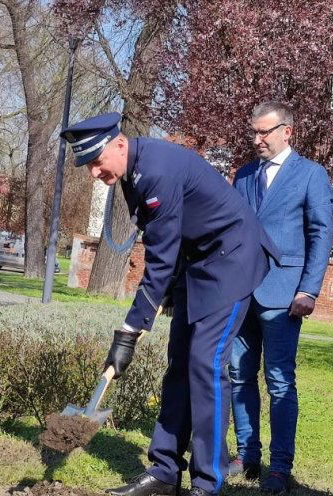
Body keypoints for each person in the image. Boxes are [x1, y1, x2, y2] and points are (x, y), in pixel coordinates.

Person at [59, 113, 279, 496]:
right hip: (198, 263)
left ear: (120, 144)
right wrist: (157, 300)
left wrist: (128, 331)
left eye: (97, 161)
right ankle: (163, 472)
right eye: (88, 165)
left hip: (232, 262)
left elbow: (159, 259)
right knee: (179, 363)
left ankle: (208, 482)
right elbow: (167, 240)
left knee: (205, 364)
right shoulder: (133, 173)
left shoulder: (156, 171)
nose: (94, 172)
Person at [227, 101, 333, 493]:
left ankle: (279, 467)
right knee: (239, 375)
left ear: (287, 131)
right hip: (242, 294)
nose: (256, 140)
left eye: (264, 133)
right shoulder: (243, 176)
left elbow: (320, 235)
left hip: (284, 295)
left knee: (279, 381)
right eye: (253, 132)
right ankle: (247, 455)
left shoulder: (311, 175)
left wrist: (308, 289)